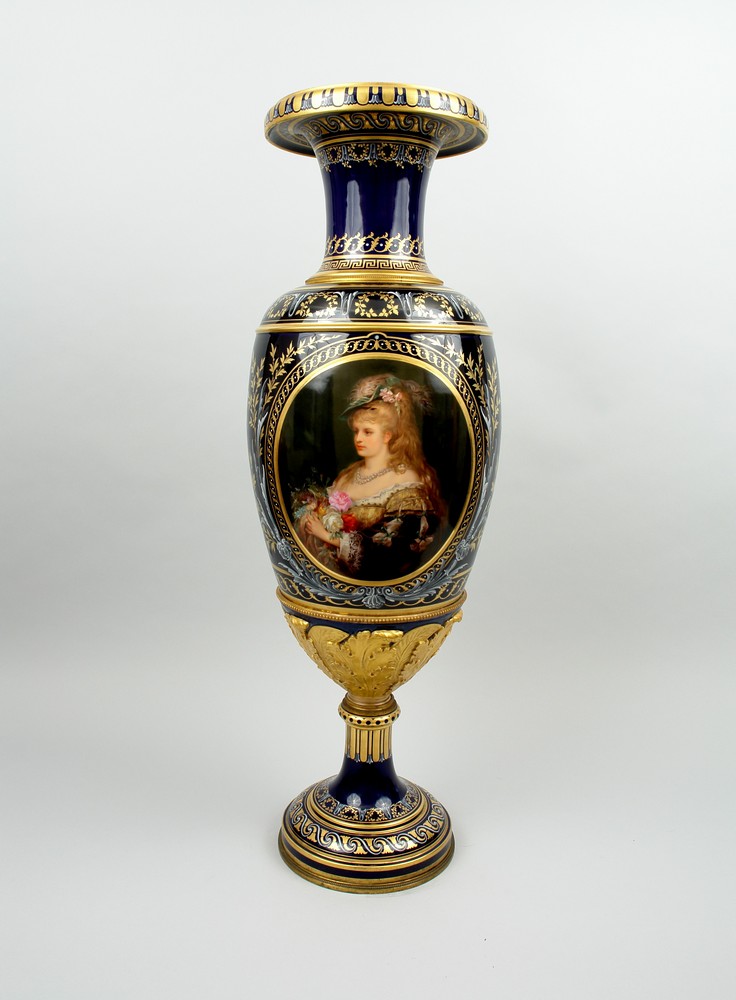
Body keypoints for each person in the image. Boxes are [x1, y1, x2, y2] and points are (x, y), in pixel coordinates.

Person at [293, 374, 444, 580]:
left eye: (367, 432)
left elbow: (395, 552)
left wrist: (328, 536)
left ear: (387, 435)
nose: (358, 438)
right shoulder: (348, 475)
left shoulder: (405, 481)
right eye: (356, 431)